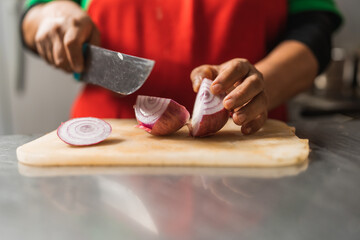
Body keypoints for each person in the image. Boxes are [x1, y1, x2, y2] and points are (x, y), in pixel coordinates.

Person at [21, 0, 342, 135]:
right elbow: (34, 12)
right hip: (108, 151)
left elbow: (313, 29)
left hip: (244, 145)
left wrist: (263, 85)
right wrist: (52, 15)